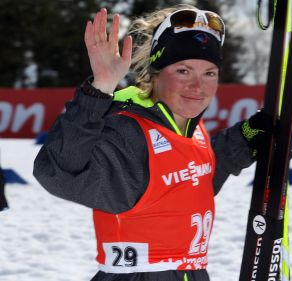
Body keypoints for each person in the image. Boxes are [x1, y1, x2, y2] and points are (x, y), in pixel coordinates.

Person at [33, 4, 272, 281]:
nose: (199, 86)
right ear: (156, 73)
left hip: (190, 273)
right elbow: (58, 173)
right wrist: (99, 89)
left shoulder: (190, 128)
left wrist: (246, 137)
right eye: (183, 71)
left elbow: (192, 180)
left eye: (209, 73)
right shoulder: (129, 131)